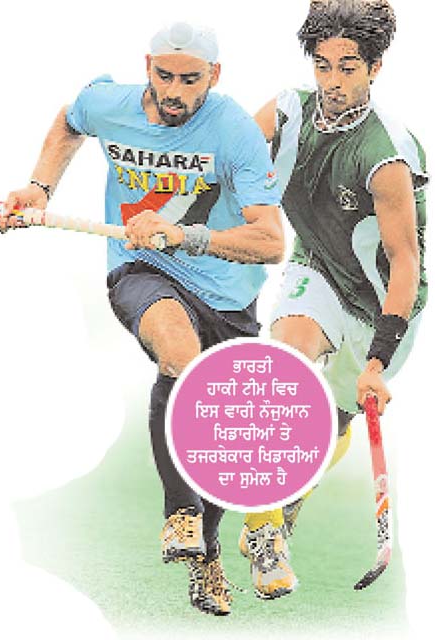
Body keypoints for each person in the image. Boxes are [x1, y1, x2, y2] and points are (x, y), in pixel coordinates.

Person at [0, 22, 284, 616]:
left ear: (215, 75)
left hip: (228, 294)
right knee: (181, 355)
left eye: (190, 80)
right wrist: (39, 186)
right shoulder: (112, 103)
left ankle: (206, 552)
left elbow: (271, 241)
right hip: (141, 269)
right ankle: (180, 514)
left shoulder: (234, 131)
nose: (174, 91)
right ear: (147, 65)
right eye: (164, 75)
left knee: (216, 429)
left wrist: (184, 234)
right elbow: (70, 119)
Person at [238, 0, 428, 600]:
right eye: (323, 66)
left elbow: (405, 262)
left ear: (375, 67)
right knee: (283, 377)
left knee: (331, 423)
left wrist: (377, 360)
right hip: (316, 269)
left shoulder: (387, 154)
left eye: (348, 68)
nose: (333, 82)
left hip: (382, 303)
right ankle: (266, 534)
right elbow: (226, 158)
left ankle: (293, 489)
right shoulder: (288, 112)